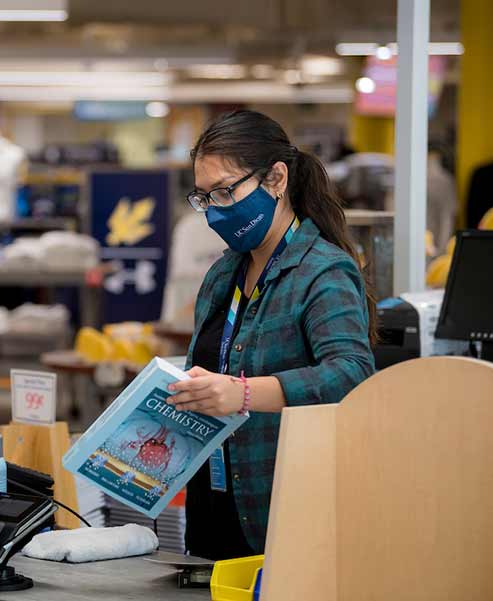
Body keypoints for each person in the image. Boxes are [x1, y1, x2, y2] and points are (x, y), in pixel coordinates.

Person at [168, 110, 375, 560]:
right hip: (212, 503)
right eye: (204, 197)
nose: (216, 209)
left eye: (225, 191)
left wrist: (243, 394)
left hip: (280, 506)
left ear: (276, 179)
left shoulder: (323, 271)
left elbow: (352, 374)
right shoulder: (223, 274)